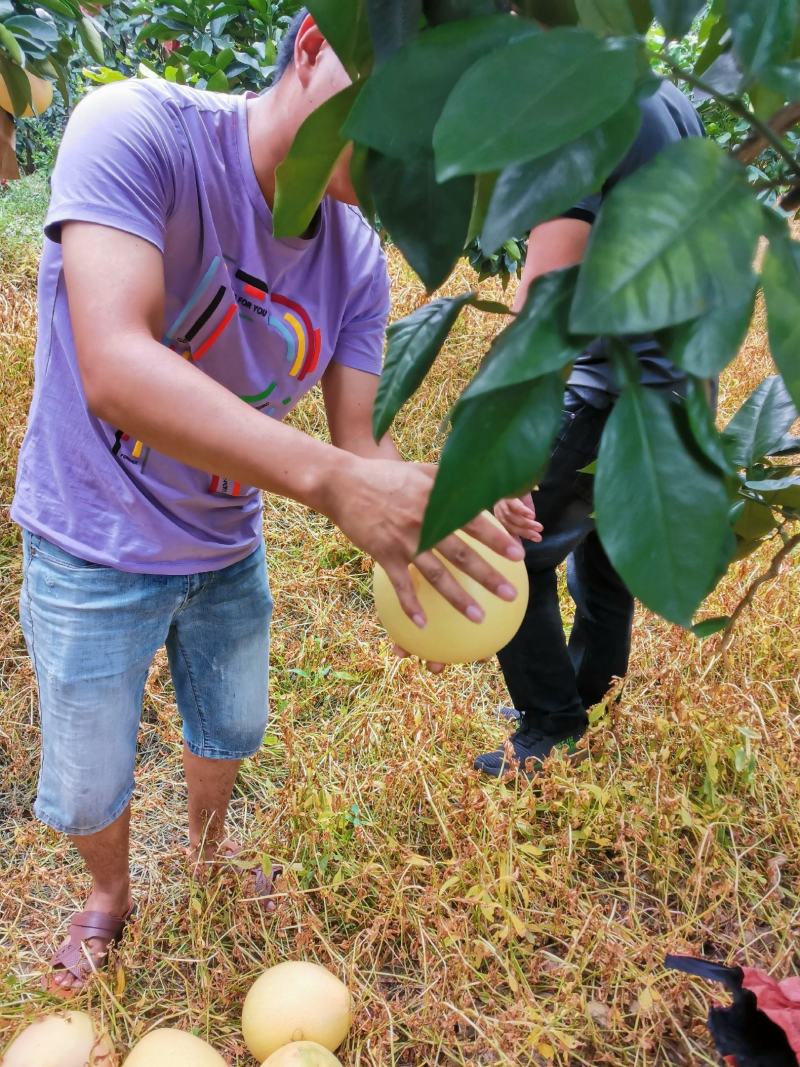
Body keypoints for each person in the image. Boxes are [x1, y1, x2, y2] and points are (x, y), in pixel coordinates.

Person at [12, 10, 525, 994]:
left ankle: (208, 852)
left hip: (223, 544)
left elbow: (357, 444)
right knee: (83, 778)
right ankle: (107, 894)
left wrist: (452, 495)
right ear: (311, 45)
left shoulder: (357, 263)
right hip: (91, 538)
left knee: (229, 724)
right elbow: (115, 364)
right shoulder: (137, 130)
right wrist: (333, 483)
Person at [474, 78, 706, 778]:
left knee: (509, 549)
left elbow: (543, 309)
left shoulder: (583, 104)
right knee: (606, 556)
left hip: (614, 385)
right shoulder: (663, 98)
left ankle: (552, 727)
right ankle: (594, 699)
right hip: (675, 383)